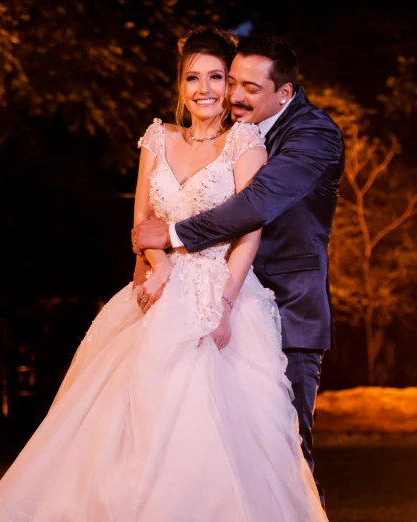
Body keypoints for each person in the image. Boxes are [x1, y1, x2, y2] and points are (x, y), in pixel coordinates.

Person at [0, 26, 328, 522]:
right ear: (180, 85)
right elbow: (142, 224)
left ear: (230, 85)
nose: (204, 88)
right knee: (124, 424)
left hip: (224, 293)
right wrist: (155, 268)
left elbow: (251, 225)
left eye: (217, 77)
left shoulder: (248, 140)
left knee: (215, 434)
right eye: (192, 77)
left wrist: (222, 304)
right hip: (157, 292)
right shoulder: (157, 138)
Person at [131, 34, 344, 505]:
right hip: (200, 301)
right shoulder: (209, 133)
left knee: (286, 459)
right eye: (233, 82)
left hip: (286, 308)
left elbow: (257, 203)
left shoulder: (315, 134)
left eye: (249, 87)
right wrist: (152, 261)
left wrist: (170, 236)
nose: (235, 96)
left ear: (283, 94)